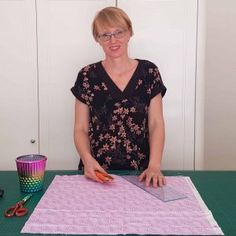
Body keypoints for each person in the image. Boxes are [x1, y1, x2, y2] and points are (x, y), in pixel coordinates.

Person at [71, 6, 166, 187]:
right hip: (96, 172)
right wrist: (87, 159)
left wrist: (154, 165)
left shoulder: (149, 72)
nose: (112, 40)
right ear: (97, 39)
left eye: (119, 32)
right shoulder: (86, 76)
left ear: (130, 32)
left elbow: (156, 123)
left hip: (142, 173)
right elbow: (80, 128)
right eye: (105, 35)